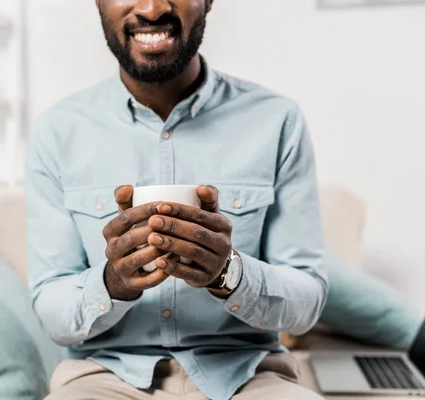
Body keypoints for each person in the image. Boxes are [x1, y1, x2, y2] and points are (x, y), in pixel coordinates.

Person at [26, 1, 329, 399]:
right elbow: (51, 307)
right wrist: (112, 283)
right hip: (104, 380)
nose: (152, 8)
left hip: (246, 377)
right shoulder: (57, 131)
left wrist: (228, 273)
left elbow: (308, 300)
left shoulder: (277, 120)